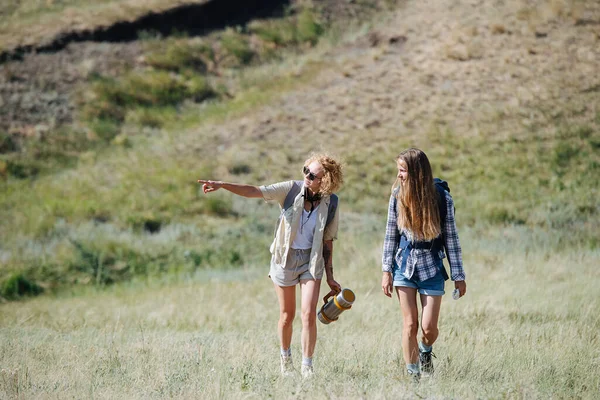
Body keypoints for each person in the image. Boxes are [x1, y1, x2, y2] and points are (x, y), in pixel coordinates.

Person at [197, 153, 343, 378]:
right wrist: (223, 185)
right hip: (284, 259)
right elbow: (255, 190)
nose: (306, 176)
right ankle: (286, 361)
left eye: (312, 175)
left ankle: (307, 367)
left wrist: (330, 276)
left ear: (324, 181)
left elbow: (327, 242)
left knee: (308, 315)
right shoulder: (290, 189)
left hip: (311, 262)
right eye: (306, 170)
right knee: (287, 315)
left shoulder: (331, 202)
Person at [381, 148, 466, 382]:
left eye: (403, 170)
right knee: (410, 324)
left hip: (432, 267)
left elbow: (451, 238)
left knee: (428, 329)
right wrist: (386, 271)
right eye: (398, 170)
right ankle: (413, 376)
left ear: (417, 173)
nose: (398, 175)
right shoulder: (397, 196)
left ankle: (426, 352)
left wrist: (459, 275)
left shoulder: (442, 198)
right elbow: (391, 236)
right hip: (404, 266)